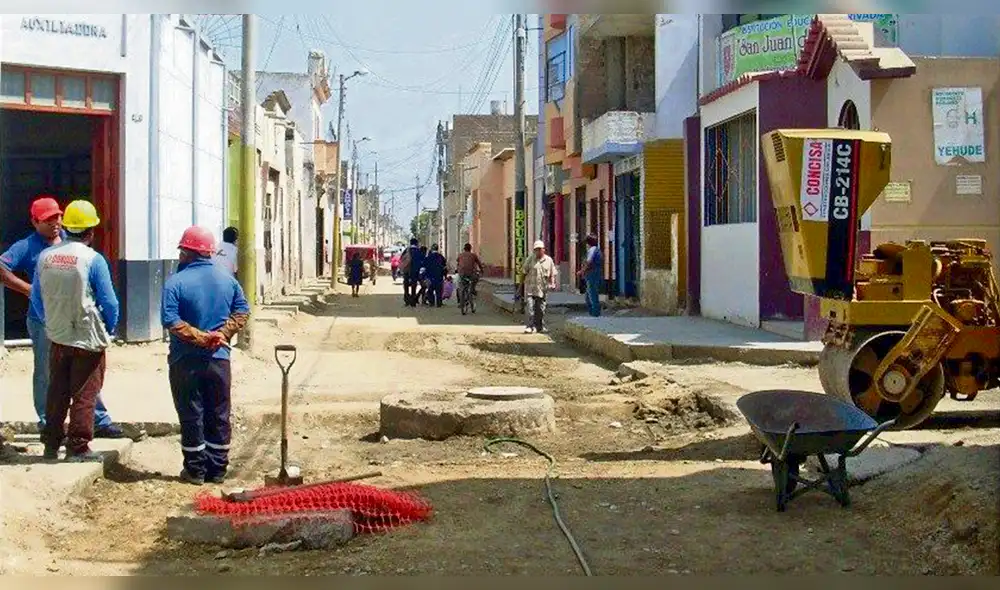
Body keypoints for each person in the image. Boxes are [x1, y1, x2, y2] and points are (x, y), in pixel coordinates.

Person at [0, 196, 124, 439]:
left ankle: (97, 419)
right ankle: (49, 423)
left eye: (58, 216)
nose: (55, 222)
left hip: (76, 320)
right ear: (35, 222)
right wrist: (29, 291)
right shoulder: (27, 246)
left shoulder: (70, 245)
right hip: (44, 322)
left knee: (85, 372)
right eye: (48, 219)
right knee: (48, 373)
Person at [31, 200, 120, 461]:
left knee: (56, 390)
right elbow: (110, 302)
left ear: (66, 227)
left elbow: (37, 298)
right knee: (84, 393)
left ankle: (50, 445)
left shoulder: (45, 257)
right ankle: (78, 447)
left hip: (57, 335)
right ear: (91, 232)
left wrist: (51, 322)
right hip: (87, 337)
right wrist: (108, 328)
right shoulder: (93, 260)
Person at [161, 226, 250, 485]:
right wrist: (220, 335)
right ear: (210, 252)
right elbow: (242, 312)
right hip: (219, 359)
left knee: (191, 413)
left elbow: (171, 320)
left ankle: (195, 470)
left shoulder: (175, 282)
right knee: (219, 413)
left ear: (186, 252)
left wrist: (200, 338)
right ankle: (218, 470)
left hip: (184, 361)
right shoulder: (228, 280)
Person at [522, 240, 557, 334]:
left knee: (540, 309)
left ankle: (540, 327)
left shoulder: (549, 260)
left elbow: (552, 273)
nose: (537, 251)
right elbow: (524, 272)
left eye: (539, 249)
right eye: (536, 250)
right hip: (530, 288)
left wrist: (552, 283)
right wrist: (520, 286)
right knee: (530, 309)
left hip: (542, 289)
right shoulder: (530, 259)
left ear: (543, 250)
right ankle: (529, 326)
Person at [577, 233, 603, 317]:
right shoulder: (597, 250)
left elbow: (589, 262)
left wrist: (582, 271)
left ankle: (595, 314)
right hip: (594, 274)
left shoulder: (592, 250)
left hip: (592, 274)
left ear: (588, 243)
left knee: (592, 295)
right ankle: (593, 313)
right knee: (589, 296)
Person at [401, 238, 424, 307]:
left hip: (406, 271)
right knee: (414, 286)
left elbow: (402, 259)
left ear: (410, 243)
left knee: (406, 285)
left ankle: (407, 300)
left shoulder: (406, 250)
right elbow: (422, 261)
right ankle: (413, 301)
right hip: (415, 271)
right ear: (416, 243)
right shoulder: (418, 251)